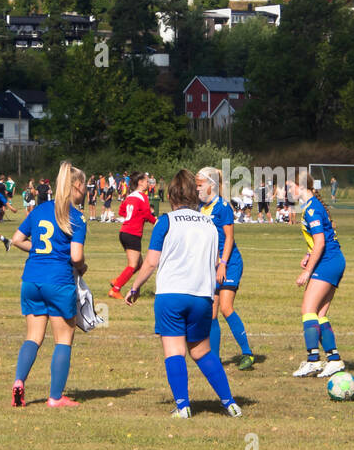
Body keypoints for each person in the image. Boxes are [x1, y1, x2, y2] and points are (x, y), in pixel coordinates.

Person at [124, 170, 241, 419]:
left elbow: (151, 262)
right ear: (194, 195)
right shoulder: (210, 224)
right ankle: (230, 403)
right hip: (202, 296)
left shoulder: (166, 221)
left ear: (170, 195)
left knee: (175, 352)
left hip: (171, 296)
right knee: (201, 351)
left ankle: (182, 406)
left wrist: (135, 287)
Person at [9, 161, 87, 409]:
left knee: (33, 336)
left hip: (31, 279)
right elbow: (75, 257)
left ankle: (19, 381)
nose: (86, 189)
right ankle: (55, 397)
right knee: (63, 339)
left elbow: (17, 239)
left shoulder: (40, 209)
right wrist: (82, 267)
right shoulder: (76, 217)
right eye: (84, 184)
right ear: (76, 186)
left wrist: (40, 252)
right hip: (58, 280)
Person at [287, 169, 347, 378]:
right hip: (333, 261)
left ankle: (313, 360)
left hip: (328, 263)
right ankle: (334, 360)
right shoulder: (313, 207)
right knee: (320, 314)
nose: (288, 192)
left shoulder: (311, 209)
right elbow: (320, 241)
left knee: (308, 310)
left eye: (290, 187)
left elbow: (321, 242)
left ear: (301, 186)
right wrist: (308, 253)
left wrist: (307, 272)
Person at [197, 167, 256, 371]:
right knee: (211, 313)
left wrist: (222, 263)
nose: (197, 188)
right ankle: (214, 358)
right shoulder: (199, 207)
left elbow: (229, 238)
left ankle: (247, 353)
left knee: (225, 308)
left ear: (210, 185)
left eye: (199, 184)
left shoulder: (222, 207)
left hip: (229, 263)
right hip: (211, 265)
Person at [109, 173, 156, 300]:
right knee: (133, 265)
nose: (148, 183)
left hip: (124, 232)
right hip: (132, 233)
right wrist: (154, 221)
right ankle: (115, 289)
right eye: (146, 181)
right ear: (140, 182)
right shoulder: (142, 197)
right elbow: (146, 214)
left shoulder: (130, 196)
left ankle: (117, 280)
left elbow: (122, 211)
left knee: (139, 264)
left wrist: (136, 215)